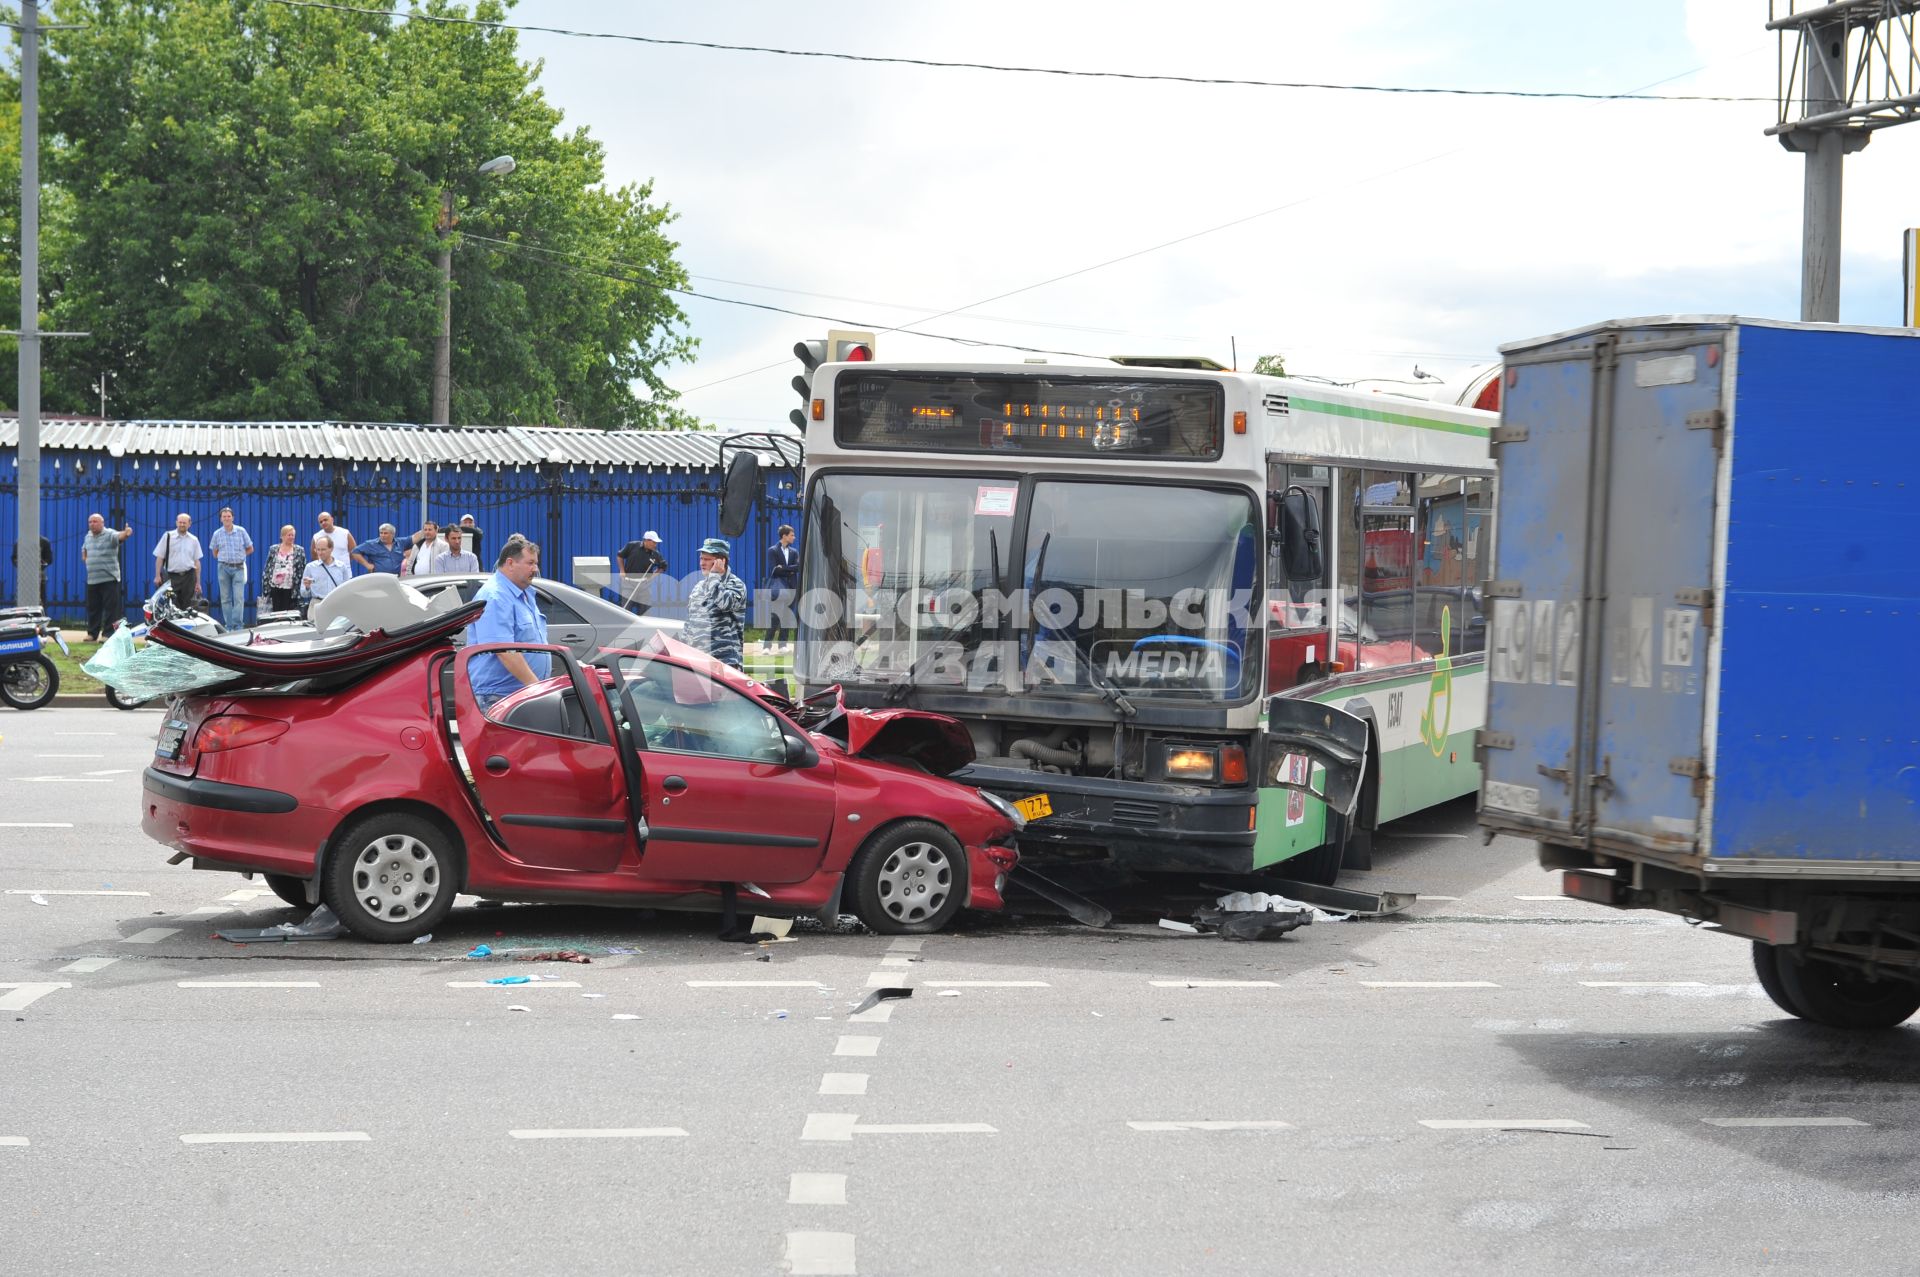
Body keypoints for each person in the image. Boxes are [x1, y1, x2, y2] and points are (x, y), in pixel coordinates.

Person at [466, 538, 549, 708]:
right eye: (530, 563)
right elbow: (503, 650)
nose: (536, 569)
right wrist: (538, 688)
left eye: (536, 563)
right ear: (510, 563)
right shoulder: (496, 596)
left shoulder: (523, 594)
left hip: (518, 695)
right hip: (499, 698)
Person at [686, 536, 747, 670]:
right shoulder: (699, 586)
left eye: (707, 559)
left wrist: (714, 577)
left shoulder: (735, 584)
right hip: (697, 659)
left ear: (721, 561)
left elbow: (725, 603)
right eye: (701, 558)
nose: (702, 563)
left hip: (724, 661)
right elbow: (690, 621)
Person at [81, 514, 133, 640]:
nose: (92, 524)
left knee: (110, 608)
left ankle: (107, 634)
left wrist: (126, 533)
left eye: (95, 522)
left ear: (102, 523)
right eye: (90, 522)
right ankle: (92, 634)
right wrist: (86, 560)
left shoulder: (109, 534)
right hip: (92, 579)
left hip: (109, 578)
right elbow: (84, 549)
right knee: (93, 607)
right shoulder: (88, 536)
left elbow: (119, 536)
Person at [207, 506, 254, 631]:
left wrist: (241, 556)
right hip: (223, 568)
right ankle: (228, 626)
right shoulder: (217, 534)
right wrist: (224, 559)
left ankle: (238, 625)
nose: (227, 518)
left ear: (233, 518)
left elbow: (250, 548)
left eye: (229, 516)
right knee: (225, 598)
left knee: (238, 598)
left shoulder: (241, 531)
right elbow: (215, 552)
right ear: (221, 519)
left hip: (239, 567)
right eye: (224, 516)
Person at [152, 513, 203, 608]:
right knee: (170, 605)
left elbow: (197, 562)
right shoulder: (167, 536)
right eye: (180, 522)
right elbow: (160, 557)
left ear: (189, 524)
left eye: (184, 522)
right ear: (176, 523)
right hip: (170, 577)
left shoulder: (194, 540)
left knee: (187, 606)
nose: (182, 524)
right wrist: (157, 576)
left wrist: (198, 582)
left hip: (189, 577)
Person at [616, 529, 667, 614]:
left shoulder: (656, 554)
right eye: (654, 542)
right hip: (628, 583)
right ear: (647, 540)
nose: (655, 544)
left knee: (645, 611)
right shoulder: (632, 546)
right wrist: (622, 570)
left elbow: (663, 567)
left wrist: (652, 577)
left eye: (656, 542)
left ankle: (642, 627)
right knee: (626, 610)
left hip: (645, 586)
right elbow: (620, 556)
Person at [765, 523, 800, 651]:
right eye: (792, 535)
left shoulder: (794, 552)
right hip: (778, 588)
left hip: (791, 587)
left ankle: (782, 645)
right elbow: (774, 570)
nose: (794, 537)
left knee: (787, 617)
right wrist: (788, 570)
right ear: (784, 536)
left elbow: (798, 567)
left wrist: (784, 568)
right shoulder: (772, 550)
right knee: (775, 617)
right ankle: (767, 646)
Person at [264, 526, 306, 614]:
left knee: (288, 612)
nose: (291, 537)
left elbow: (303, 568)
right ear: (282, 536)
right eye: (289, 535)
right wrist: (265, 586)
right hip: (275, 586)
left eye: (293, 535)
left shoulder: (299, 550)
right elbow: (268, 568)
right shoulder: (273, 549)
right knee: (276, 612)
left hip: (291, 587)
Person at [300, 534, 348, 608]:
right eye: (318, 549)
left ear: (331, 549)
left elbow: (346, 590)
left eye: (323, 549)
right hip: (317, 604)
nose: (320, 553)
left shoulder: (341, 567)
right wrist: (307, 587)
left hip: (336, 604)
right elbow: (303, 594)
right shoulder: (310, 567)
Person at [13, 533, 53, 608]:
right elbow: (14, 558)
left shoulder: (44, 542)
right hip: (23, 576)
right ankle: (21, 616)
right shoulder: (19, 542)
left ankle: (40, 617)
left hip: (39, 576)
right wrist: (22, 566)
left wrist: (37, 566)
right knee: (22, 597)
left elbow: (49, 559)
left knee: (40, 598)